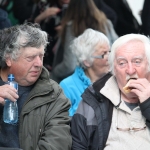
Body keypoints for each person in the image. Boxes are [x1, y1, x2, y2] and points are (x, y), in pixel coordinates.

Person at [71, 33, 150, 149]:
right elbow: (78, 145)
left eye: (137, 61)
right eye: (122, 63)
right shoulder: (93, 100)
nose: (130, 70)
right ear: (113, 70)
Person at [0, 23, 72, 149]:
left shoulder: (53, 94)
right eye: (30, 58)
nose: (39, 63)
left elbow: (57, 144)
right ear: (8, 58)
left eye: (41, 56)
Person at [50, 0, 118, 83]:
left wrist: (54, 72)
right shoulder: (105, 23)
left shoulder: (72, 27)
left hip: (79, 81)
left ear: (71, 9)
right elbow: (117, 48)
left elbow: (69, 65)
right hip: (107, 78)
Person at [59, 28, 110, 116]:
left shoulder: (115, 81)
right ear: (87, 61)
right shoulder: (67, 87)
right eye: (104, 54)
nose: (109, 57)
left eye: (110, 52)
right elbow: (62, 123)